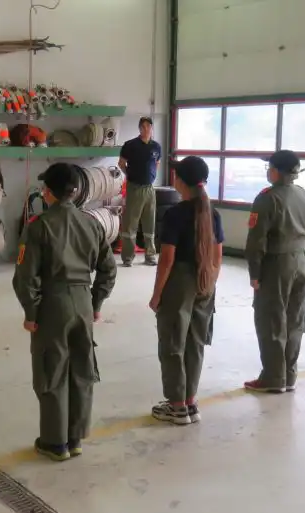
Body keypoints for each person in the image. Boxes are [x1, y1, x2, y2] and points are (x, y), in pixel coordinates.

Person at [13, 163, 118, 461]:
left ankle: (54, 442)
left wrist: (31, 312)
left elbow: (25, 276)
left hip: (53, 304)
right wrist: (96, 304)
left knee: (52, 371)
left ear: (48, 192)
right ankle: (75, 438)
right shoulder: (92, 223)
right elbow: (108, 270)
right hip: (83, 301)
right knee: (82, 370)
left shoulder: (39, 225)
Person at [148, 155, 224, 424]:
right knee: (195, 342)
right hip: (206, 279)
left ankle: (177, 405)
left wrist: (157, 294)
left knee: (173, 342)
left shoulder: (175, 214)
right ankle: (190, 401)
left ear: (180, 181)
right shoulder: (212, 213)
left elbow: (167, 259)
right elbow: (217, 256)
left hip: (179, 281)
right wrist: (210, 282)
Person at [242, 150, 305, 393]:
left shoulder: (267, 198)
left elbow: (257, 240)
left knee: (271, 319)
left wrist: (255, 273)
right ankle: (289, 375)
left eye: (269, 168)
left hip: (276, 264)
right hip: (301, 262)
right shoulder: (304, 195)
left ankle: (273, 378)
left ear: (276, 171)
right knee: (295, 319)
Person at [118, 116, 162, 267]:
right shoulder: (130, 145)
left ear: (152, 128)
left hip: (149, 189)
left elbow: (157, 163)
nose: (146, 129)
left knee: (149, 222)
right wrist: (130, 175)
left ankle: (150, 255)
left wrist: (151, 176)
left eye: (148, 126)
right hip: (134, 187)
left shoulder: (156, 147)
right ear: (139, 128)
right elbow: (121, 163)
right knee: (130, 223)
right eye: (143, 126)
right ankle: (128, 257)